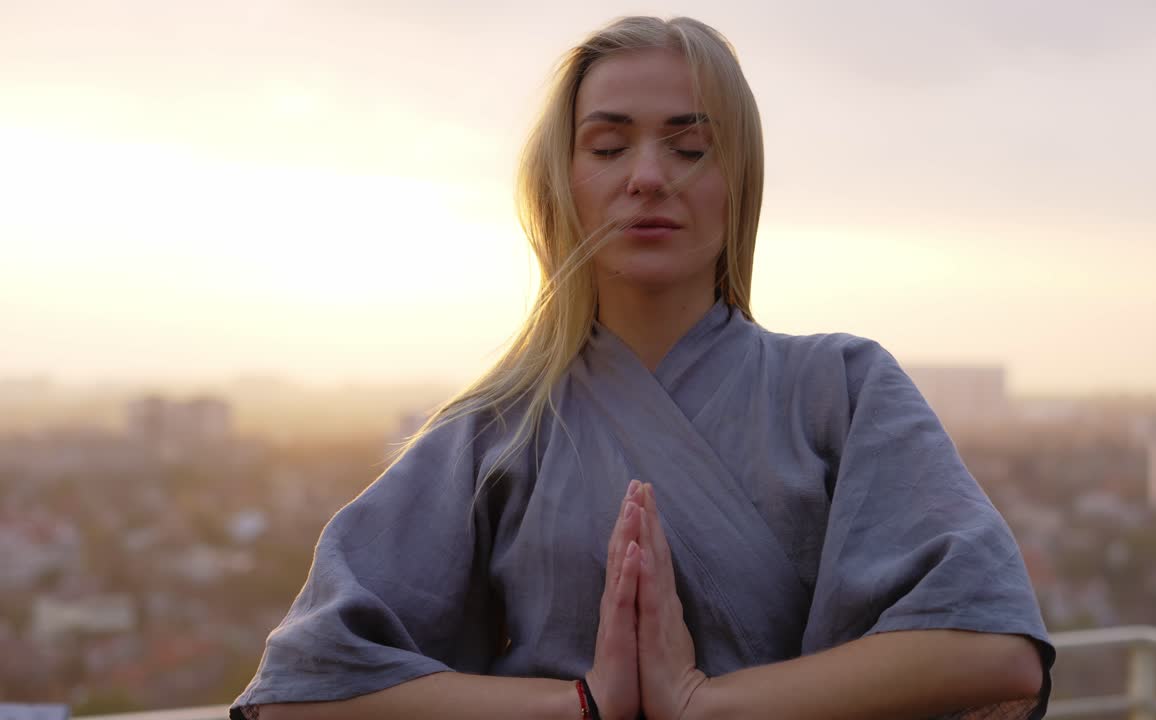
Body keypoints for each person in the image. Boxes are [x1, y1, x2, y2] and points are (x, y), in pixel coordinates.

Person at [231, 15, 1055, 720]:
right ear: (565, 183)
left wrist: (707, 704)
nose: (649, 176)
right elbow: (307, 682)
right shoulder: (497, 428)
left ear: (741, 183)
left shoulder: (844, 388)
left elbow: (994, 650)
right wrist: (578, 705)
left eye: (692, 145)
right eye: (609, 145)